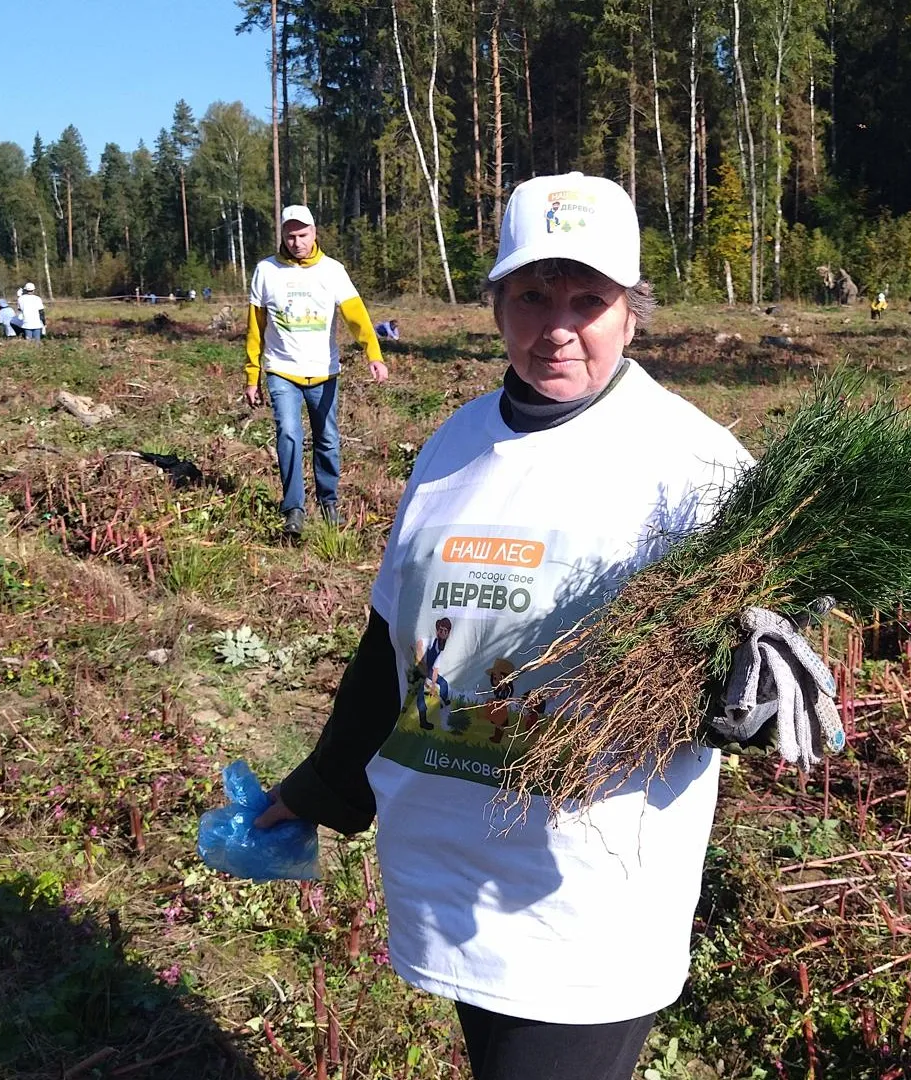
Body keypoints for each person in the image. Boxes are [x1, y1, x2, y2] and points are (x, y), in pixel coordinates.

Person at [252, 172, 753, 1080]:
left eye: (587, 299)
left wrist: (745, 688)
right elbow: (388, 657)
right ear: (496, 306)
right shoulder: (455, 444)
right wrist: (314, 792)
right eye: (530, 295)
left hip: (589, 896)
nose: (556, 325)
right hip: (451, 871)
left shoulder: (698, 465)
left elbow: (754, 651)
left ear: (631, 312)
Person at [243, 203, 387, 538]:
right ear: (282, 235)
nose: (296, 242)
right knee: (289, 434)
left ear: (314, 233)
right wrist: (252, 376)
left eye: (302, 235)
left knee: (328, 439)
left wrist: (373, 355)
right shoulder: (265, 272)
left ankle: (328, 502)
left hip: (324, 372)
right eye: (290, 236)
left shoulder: (333, 271)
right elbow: (255, 330)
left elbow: (357, 317)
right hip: (281, 370)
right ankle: (294, 509)